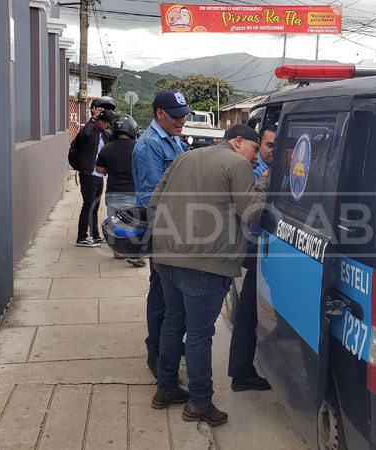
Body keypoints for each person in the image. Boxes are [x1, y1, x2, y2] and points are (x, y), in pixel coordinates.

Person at [150, 124, 268, 426]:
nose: (256, 157)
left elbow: (155, 202)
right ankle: (200, 402)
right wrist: (265, 183)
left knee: (173, 323)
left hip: (169, 258)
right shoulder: (238, 164)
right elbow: (251, 213)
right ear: (238, 141)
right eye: (255, 149)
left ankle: (165, 390)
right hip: (207, 265)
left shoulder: (185, 157)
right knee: (200, 335)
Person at [133, 88, 191, 379]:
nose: (182, 121)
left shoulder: (175, 140)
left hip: (178, 228)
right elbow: (150, 198)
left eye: (184, 116)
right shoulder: (150, 146)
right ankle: (154, 352)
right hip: (164, 231)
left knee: (174, 295)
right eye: (177, 117)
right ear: (160, 114)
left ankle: (168, 345)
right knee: (160, 294)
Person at [228, 124, 276, 392]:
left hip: (273, 247)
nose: (271, 151)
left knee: (258, 309)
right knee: (248, 309)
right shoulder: (252, 171)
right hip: (254, 245)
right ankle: (241, 371)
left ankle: (247, 367)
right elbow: (250, 212)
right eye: (267, 146)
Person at [95, 114, 146, 267]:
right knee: (135, 225)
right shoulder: (138, 146)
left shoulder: (107, 148)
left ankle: (118, 251)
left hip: (113, 193)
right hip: (133, 192)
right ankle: (137, 254)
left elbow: (99, 169)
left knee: (116, 223)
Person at [70, 97, 116, 248]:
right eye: (103, 121)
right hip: (87, 173)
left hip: (98, 175)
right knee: (88, 204)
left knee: (95, 206)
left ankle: (95, 235)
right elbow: (84, 135)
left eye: (107, 122)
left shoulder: (105, 134)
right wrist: (93, 117)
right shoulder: (89, 130)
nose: (105, 124)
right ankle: (82, 237)